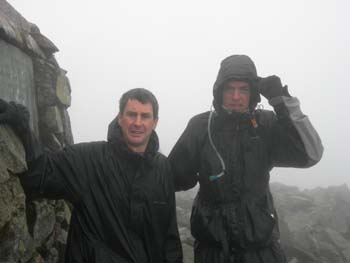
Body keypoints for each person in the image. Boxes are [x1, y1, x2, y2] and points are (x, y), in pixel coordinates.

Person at [168, 55, 323, 263]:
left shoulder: (265, 125)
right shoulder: (201, 127)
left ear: (253, 94)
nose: (236, 96)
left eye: (243, 89)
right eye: (229, 89)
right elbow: (172, 177)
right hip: (212, 252)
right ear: (219, 91)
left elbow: (310, 154)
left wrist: (282, 102)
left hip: (262, 251)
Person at [0, 88, 183, 263]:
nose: (137, 122)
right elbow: (40, 175)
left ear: (155, 122)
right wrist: (22, 127)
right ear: (120, 118)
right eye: (131, 114)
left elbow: (170, 236)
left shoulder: (162, 167)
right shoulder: (88, 159)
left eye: (145, 116)